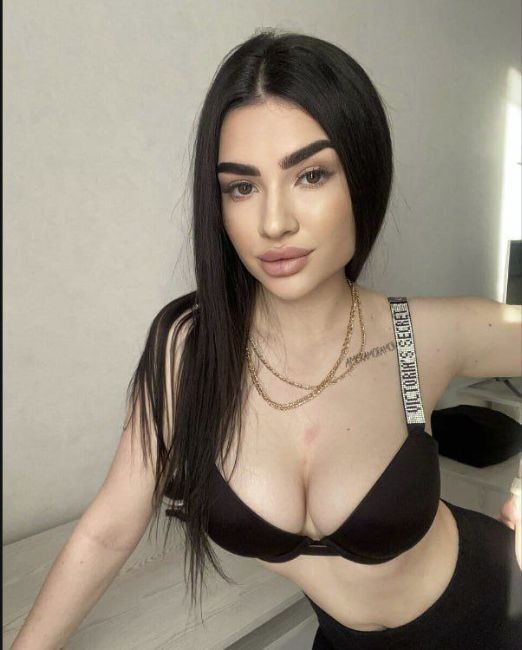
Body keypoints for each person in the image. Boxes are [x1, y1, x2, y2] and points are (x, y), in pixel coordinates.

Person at [11, 28, 521, 650]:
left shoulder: (421, 335)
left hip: (493, 613)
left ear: (362, 176)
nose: (274, 223)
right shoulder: (191, 348)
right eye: (242, 186)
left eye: (311, 175)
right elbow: (108, 531)